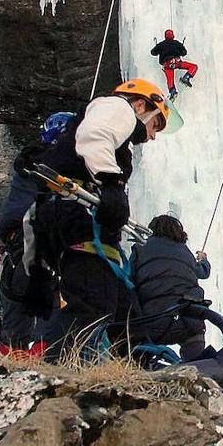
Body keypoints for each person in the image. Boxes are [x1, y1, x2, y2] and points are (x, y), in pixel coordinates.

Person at [31, 78, 172, 361]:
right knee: (93, 300)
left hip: (75, 215)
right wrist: (111, 184)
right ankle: (57, 364)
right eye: (155, 125)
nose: (153, 135)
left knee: (122, 305)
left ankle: (138, 363)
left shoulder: (119, 129)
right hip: (77, 213)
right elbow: (93, 137)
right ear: (142, 105)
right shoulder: (118, 108)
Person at [0, 111, 75, 357]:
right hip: (46, 242)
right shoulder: (61, 170)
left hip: (16, 244)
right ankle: (43, 357)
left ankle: (12, 358)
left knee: (15, 306)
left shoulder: (27, 165)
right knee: (49, 304)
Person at [129, 214, 212, 361]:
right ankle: (199, 372)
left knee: (140, 356)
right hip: (189, 321)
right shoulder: (186, 253)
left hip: (152, 321)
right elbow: (203, 272)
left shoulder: (140, 249)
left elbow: (128, 281)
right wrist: (203, 260)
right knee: (198, 362)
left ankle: (142, 369)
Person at [149, 30, 198, 98]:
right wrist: (181, 47)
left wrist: (157, 48)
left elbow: (153, 52)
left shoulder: (161, 44)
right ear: (173, 36)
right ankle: (186, 77)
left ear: (165, 36)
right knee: (194, 67)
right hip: (177, 62)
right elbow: (184, 53)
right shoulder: (176, 43)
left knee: (170, 80)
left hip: (167, 65)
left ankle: (173, 92)